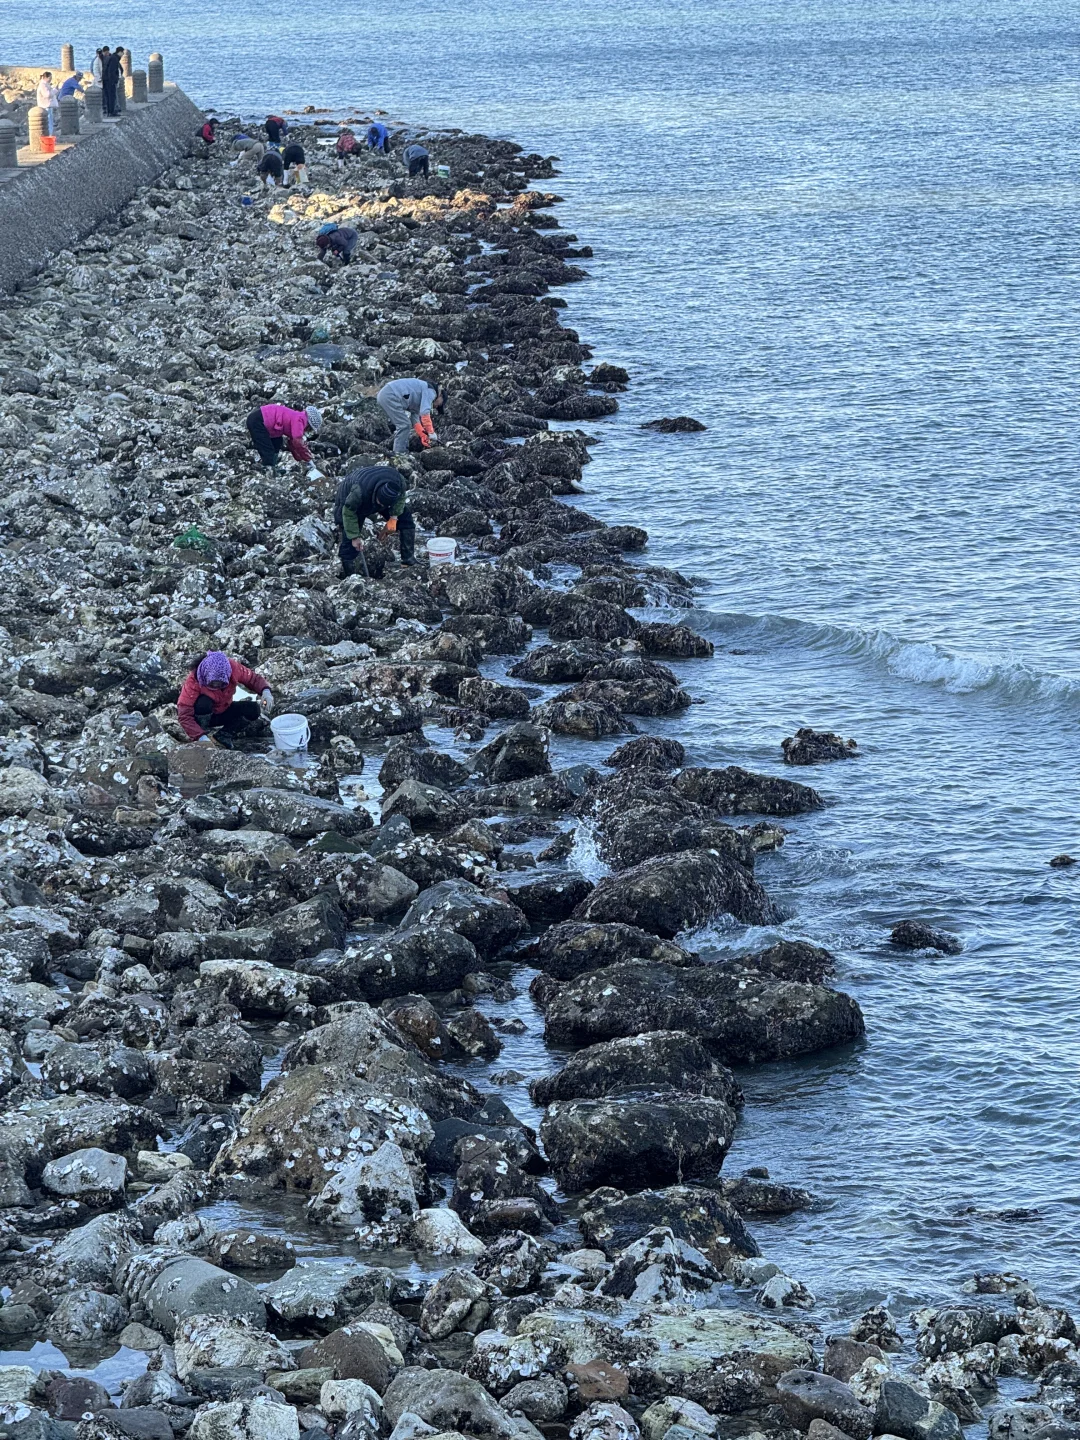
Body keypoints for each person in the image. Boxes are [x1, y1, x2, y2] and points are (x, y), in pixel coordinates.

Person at [177, 651, 273, 745]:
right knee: (204, 702)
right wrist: (200, 736)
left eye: (220, 684)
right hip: (200, 716)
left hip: (224, 709)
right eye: (212, 684)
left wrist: (265, 691)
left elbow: (252, 678)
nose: (216, 687)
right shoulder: (193, 680)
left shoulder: (233, 668)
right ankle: (204, 732)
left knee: (253, 709)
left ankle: (224, 735)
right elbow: (184, 714)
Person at [334, 466, 416, 575]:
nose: (381, 506)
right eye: (380, 503)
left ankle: (408, 560)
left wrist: (394, 517)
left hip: (379, 492)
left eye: (384, 505)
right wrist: (354, 536)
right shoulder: (358, 492)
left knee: (406, 520)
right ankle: (350, 576)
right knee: (349, 539)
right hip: (350, 498)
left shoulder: (398, 483)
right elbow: (348, 512)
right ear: (376, 495)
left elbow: (401, 497)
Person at [376, 377, 445, 453]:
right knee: (404, 425)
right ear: (441, 396)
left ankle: (401, 451)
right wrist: (431, 432)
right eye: (440, 404)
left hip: (386, 393)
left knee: (405, 424)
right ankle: (399, 453)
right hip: (390, 394)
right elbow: (425, 413)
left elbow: (414, 418)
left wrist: (423, 435)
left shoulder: (422, 393)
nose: (437, 407)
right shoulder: (431, 391)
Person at [246, 402, 321, 468]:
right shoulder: (299, 420)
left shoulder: (297, 416)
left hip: (259, 419)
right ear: (309, 425)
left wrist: (301, 459)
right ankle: (268, 469)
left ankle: (272, 465)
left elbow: (293, 444)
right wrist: (308, 459)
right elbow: (297, 441)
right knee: (268, 449)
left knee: (277, 442)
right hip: (258, 421)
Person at [101, 47, 120, 116]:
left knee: (108, 96)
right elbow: (112, 71)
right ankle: (111, 111)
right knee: (111, 96)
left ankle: (110, 111)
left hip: (106, 80)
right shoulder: (113, 59)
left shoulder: (107, 58)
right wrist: (113, 80)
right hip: (110, 81)